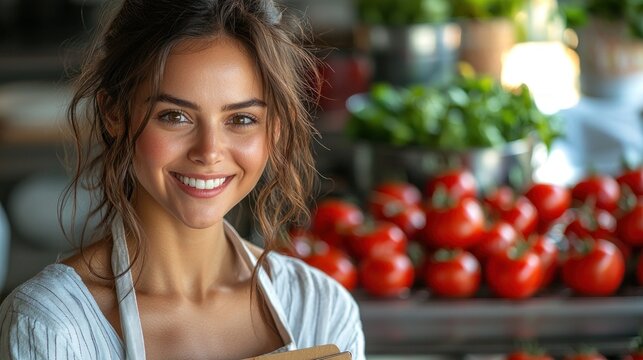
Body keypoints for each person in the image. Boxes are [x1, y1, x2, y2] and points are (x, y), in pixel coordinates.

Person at [0, 0, 365, 358]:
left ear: (276, 128)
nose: (209, 151)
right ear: (114, 114)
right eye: (175, 116)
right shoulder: (52, 325)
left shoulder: (322, 310)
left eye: (241, 119)